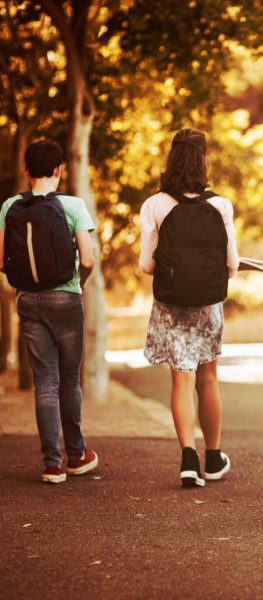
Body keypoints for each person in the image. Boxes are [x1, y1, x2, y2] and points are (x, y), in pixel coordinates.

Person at [139, 128, 238, 488]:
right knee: (208, 379)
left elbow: (147, 266)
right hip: (207, 305)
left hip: (171, 304)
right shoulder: (220, 205)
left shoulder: (154, 205)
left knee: (181, 380)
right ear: (203, 160)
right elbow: (231, 264)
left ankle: (187, 459)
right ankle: (214, 457)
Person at [0, 140, 98, 484]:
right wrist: (79, 282)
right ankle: (77, 454)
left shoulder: (10, 206)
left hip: (28, 300)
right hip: (66, 298)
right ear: (59, 170)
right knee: (69, 379)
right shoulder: (73, 206)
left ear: (27, 171)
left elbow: (1, 260)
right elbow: (87, 259)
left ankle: (52, 464)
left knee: (45, 381)